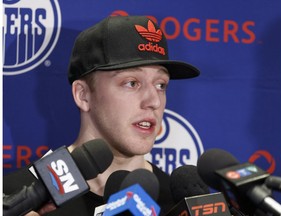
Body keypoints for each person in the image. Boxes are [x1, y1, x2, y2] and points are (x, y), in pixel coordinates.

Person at [5, 15, 200, 215]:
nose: (154, 102)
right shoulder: (14, 199)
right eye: (132, 83)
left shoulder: (180, 207)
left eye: (161, 85)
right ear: (83, 95)